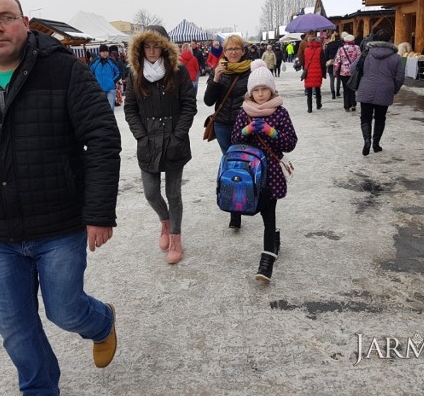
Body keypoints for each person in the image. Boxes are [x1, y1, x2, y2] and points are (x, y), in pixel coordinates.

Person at [0, 0, 121, 394]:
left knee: (65, 310)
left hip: (59, 223)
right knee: (15, 328)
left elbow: (102, 137)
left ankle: (101, 322)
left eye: (5, 16)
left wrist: (100, 212)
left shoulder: (65, 71)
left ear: (24, 22)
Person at [124, 26, 197, 264]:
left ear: (164, 47)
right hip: (148, 141)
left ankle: (175, 237)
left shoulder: (178, 71)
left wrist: (178, 135)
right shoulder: (135, 73)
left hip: (174, 140)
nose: (152, 50)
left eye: (156, 45)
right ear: (141, 48)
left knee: (173, 193)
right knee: (151, 193)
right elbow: (130, 108)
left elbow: (188, 104)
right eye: (148, 46)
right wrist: (141, 136)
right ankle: (165, 223)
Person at [231, 64, 298, 283]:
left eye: (264, 89)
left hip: (271, 173)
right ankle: (275, 239)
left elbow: (291, 142)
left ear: (272, 90)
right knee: (257, 210)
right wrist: (246, 130)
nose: (260, 94)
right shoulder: (244, 112)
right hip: (250, 174)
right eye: (256, 90)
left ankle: (266, 262)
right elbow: (234, 141)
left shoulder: (280, 112)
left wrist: (272, 132)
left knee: (268, 215)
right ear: (250, 92)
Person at [204, 34, 253, 229]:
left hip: (244, 126)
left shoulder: (251, 70)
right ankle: (236, 211)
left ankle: (248, 199)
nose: (233, 53)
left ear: (242, 51)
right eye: (229, 49)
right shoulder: (218, 71)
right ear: (224, 52)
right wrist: (216, 78)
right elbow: (208, 101)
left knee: (243, 165)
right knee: (231, 165)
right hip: (222, 125)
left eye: (236, 49)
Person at [355, 30, 404, 156]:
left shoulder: (366, 53)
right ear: (389, 40)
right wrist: (394, 89)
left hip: (366, 88)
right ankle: (376, 144)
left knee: (365, 117)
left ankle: (366, 141)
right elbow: (399, 77)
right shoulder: (396, 57)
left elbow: (353, 68)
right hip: (385, 89)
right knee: (380, 118)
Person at [333, 33, 361, 112]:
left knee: (346, 89)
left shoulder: (341, 49)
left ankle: (346, 105)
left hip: (344, 72)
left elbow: (337, 61)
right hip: (354, 72)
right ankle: (353, 104)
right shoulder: (357, 48)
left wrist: (335, 71)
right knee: (353, 88)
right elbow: (360, 59)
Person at [90, 44, 121, 111]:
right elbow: (89, 74)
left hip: (111, 89)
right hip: (99, 90)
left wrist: (113, 81)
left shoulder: (111, 61)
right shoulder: (94, 62)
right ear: (100, 52)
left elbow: (118, 72)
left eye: (106, 52)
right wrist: (94, 83)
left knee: (110, 109)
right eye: (103, 52)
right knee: (100, 110)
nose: (105, 53)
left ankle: (110, 121)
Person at [302, 36, 325, 112]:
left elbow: (305, 60)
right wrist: (323, 73)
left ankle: (309, 108)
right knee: (317, 88)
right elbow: (322, 62)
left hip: (308, 71)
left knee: (309, 91)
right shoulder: (320, 50)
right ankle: (318, 104)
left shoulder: (306, 50)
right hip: (318, 71)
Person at [323, 32, 343, 99]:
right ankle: (338, 92)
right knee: (339, 79)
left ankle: (333, 94)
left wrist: (326, 61)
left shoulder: (329, 45)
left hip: (331, 63)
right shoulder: (341, 44)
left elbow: (325, 56)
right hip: (339, 62)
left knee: (332, 80)